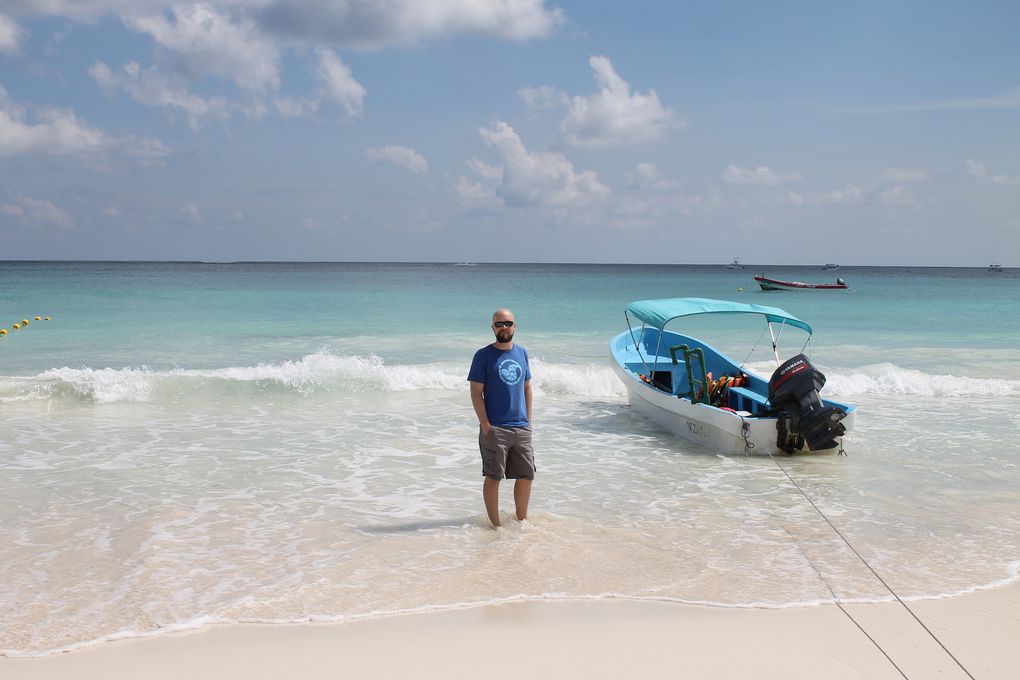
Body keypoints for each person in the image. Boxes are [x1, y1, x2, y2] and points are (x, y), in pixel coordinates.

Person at [468, 308, 534, 527]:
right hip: (496, 427)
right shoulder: (483, 356)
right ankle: (495, 526)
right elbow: (476, 393)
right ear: (492, 328)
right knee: (494, 476)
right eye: (499, 324)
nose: (504, 327)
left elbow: (527, 388)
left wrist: (529, 421)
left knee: (526, 475)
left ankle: (521, 521)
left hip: (521, 427)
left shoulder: (522, 353)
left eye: (508, 323)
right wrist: (487, 426)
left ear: (515, 326)